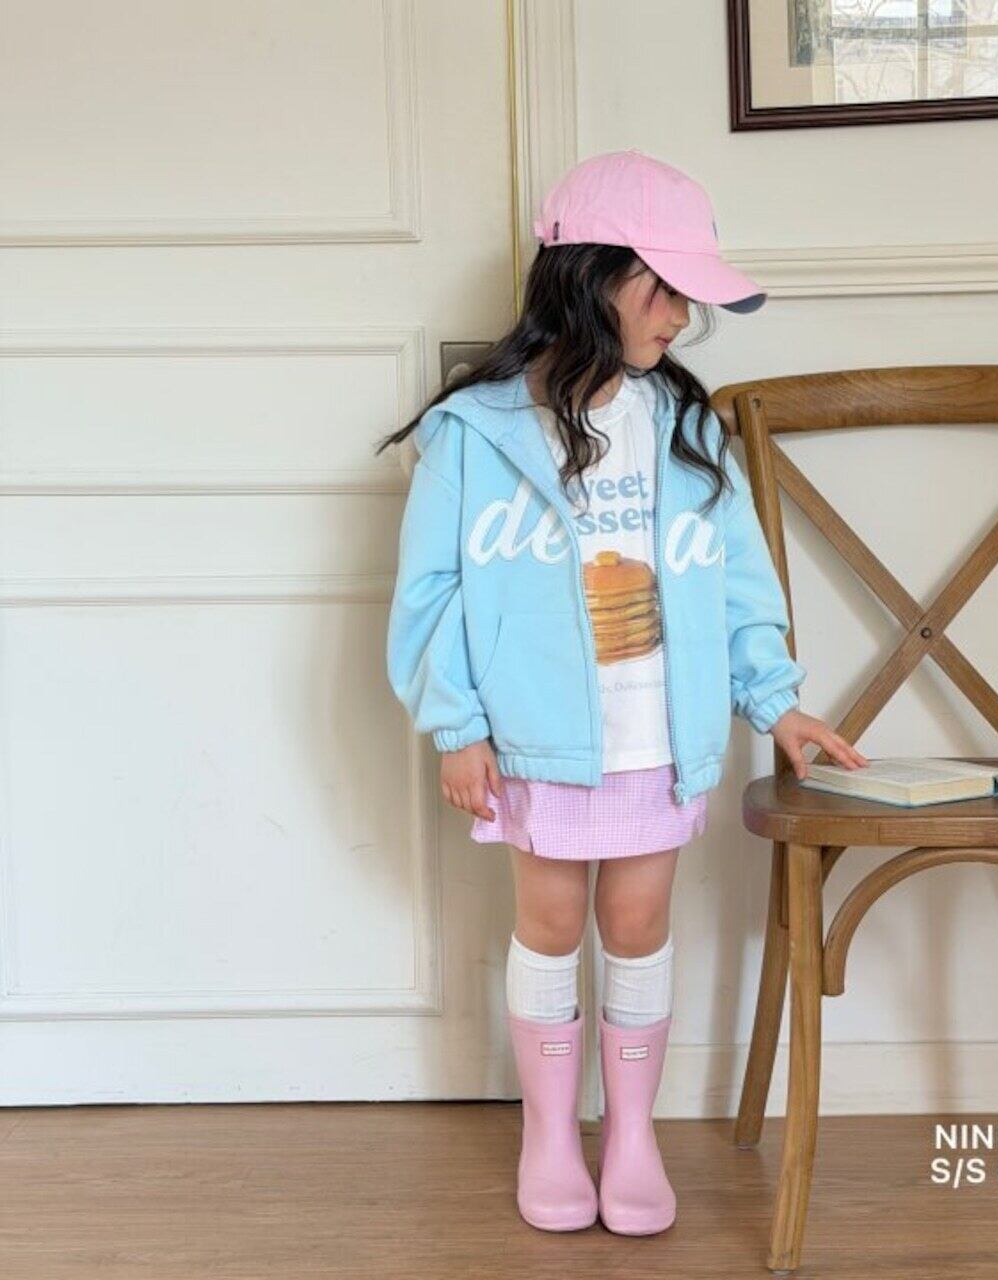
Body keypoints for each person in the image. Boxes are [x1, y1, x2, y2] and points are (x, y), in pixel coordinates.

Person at [379, 149, 866, 1237]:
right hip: (537, 737)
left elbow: (741, 583)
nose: (682, 317)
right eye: (666, 288)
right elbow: (429, 594)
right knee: (550, 922)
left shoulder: (683, 428)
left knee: (638, 922)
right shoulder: (473, 432)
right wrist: (456, 725)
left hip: (657, 731)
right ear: (593, 275)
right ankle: (550, 1132)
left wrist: (776, 701)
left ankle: (632, 1133)